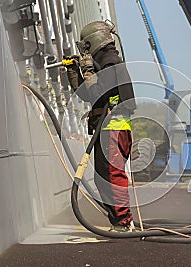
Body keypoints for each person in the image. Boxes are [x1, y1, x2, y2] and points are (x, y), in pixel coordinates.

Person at [71, 21, 136, 232]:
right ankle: (119, 221)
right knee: (103, 177)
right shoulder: (105, 62)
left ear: (92, 42)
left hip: (113, 128)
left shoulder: (110, 61)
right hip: (109, 128)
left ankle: (123, 223)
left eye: (85, 47)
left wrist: (89, 72)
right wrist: (74, 72)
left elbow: (100, 93)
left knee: (111, 176)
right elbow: (89, 95)